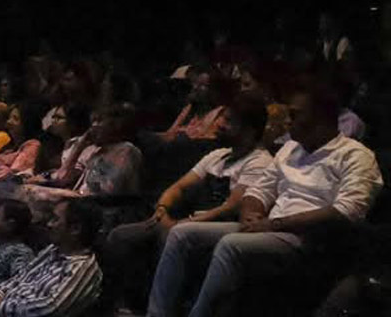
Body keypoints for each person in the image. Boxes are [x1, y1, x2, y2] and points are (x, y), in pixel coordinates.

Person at [147, 83, 384, 317]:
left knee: (231, 245)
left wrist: (272, 224)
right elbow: (259, 191)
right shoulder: (290, 148)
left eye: (295, 115)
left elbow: (347, 211)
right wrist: (250, 215)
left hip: (308, 237)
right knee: (181, 233)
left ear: (321, 117)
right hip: (270, 227)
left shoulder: (356, 155)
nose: (288, 121)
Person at [104, 94, 273, 313]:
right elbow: (179, 187)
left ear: (250, 131)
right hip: (187, 219)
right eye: (222, 118)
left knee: (171, 235)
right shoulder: (218, 155)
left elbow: (232, 206)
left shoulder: (259, 161)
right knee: (121, 236)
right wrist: (162, 210)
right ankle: (125, 306)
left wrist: (185, 222)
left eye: (229, 121)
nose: (220, 125)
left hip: (218, 224)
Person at [0, 199, 104, 317]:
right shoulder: (53, 250)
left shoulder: (82, 268)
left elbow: (51, 308)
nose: (49, 224)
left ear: (75, 229)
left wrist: (1, 306)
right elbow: (22, 276)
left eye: (55, 219)